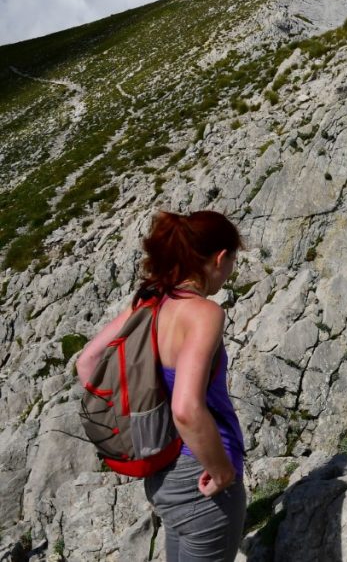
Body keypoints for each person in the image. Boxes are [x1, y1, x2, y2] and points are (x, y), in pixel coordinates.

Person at [76, 210, 247, 561]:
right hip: (203, 477)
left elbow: (88, 362)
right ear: (219, 259)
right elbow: (186, 409)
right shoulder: (203, 313)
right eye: (232, 262)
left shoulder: (152, 303)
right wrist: (222, 471)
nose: (229, 274)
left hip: (162, 477)